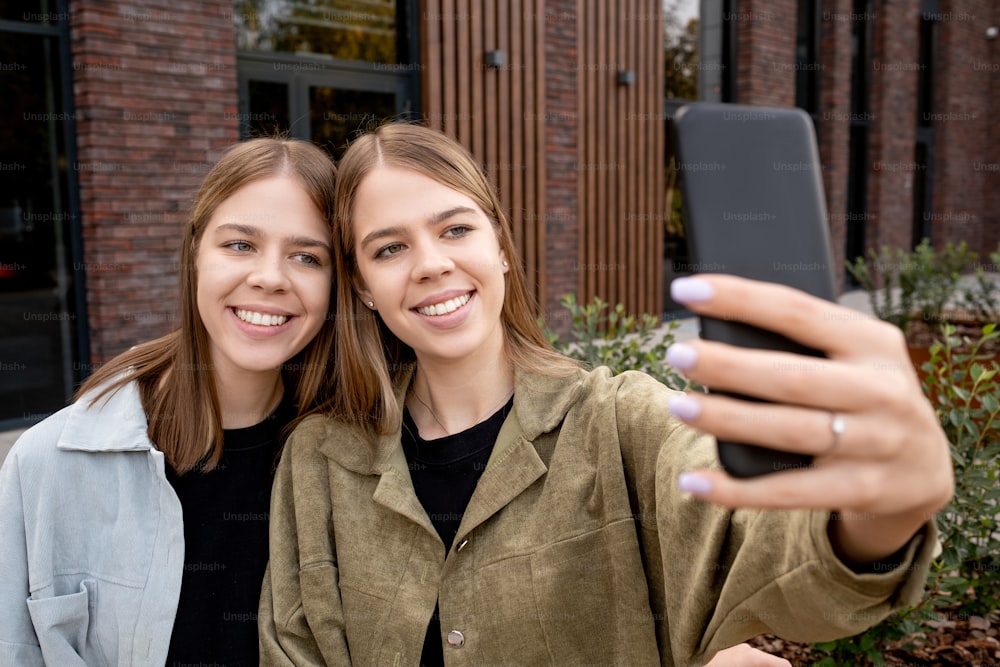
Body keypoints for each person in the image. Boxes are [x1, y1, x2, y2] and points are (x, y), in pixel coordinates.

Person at [259, 123, 953, 666]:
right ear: (362, 290)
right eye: (389, 249)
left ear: (499, 245)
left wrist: (875, 515)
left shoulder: (622, 422)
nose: (432, 263)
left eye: (455, 228)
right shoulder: (320, 461)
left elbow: (767, 549)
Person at [0, 137, 338, 666]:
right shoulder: (48, 464)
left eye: (306, 256)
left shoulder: (356, 461)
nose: (270, 277)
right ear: (195, 253)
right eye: (240, 245)